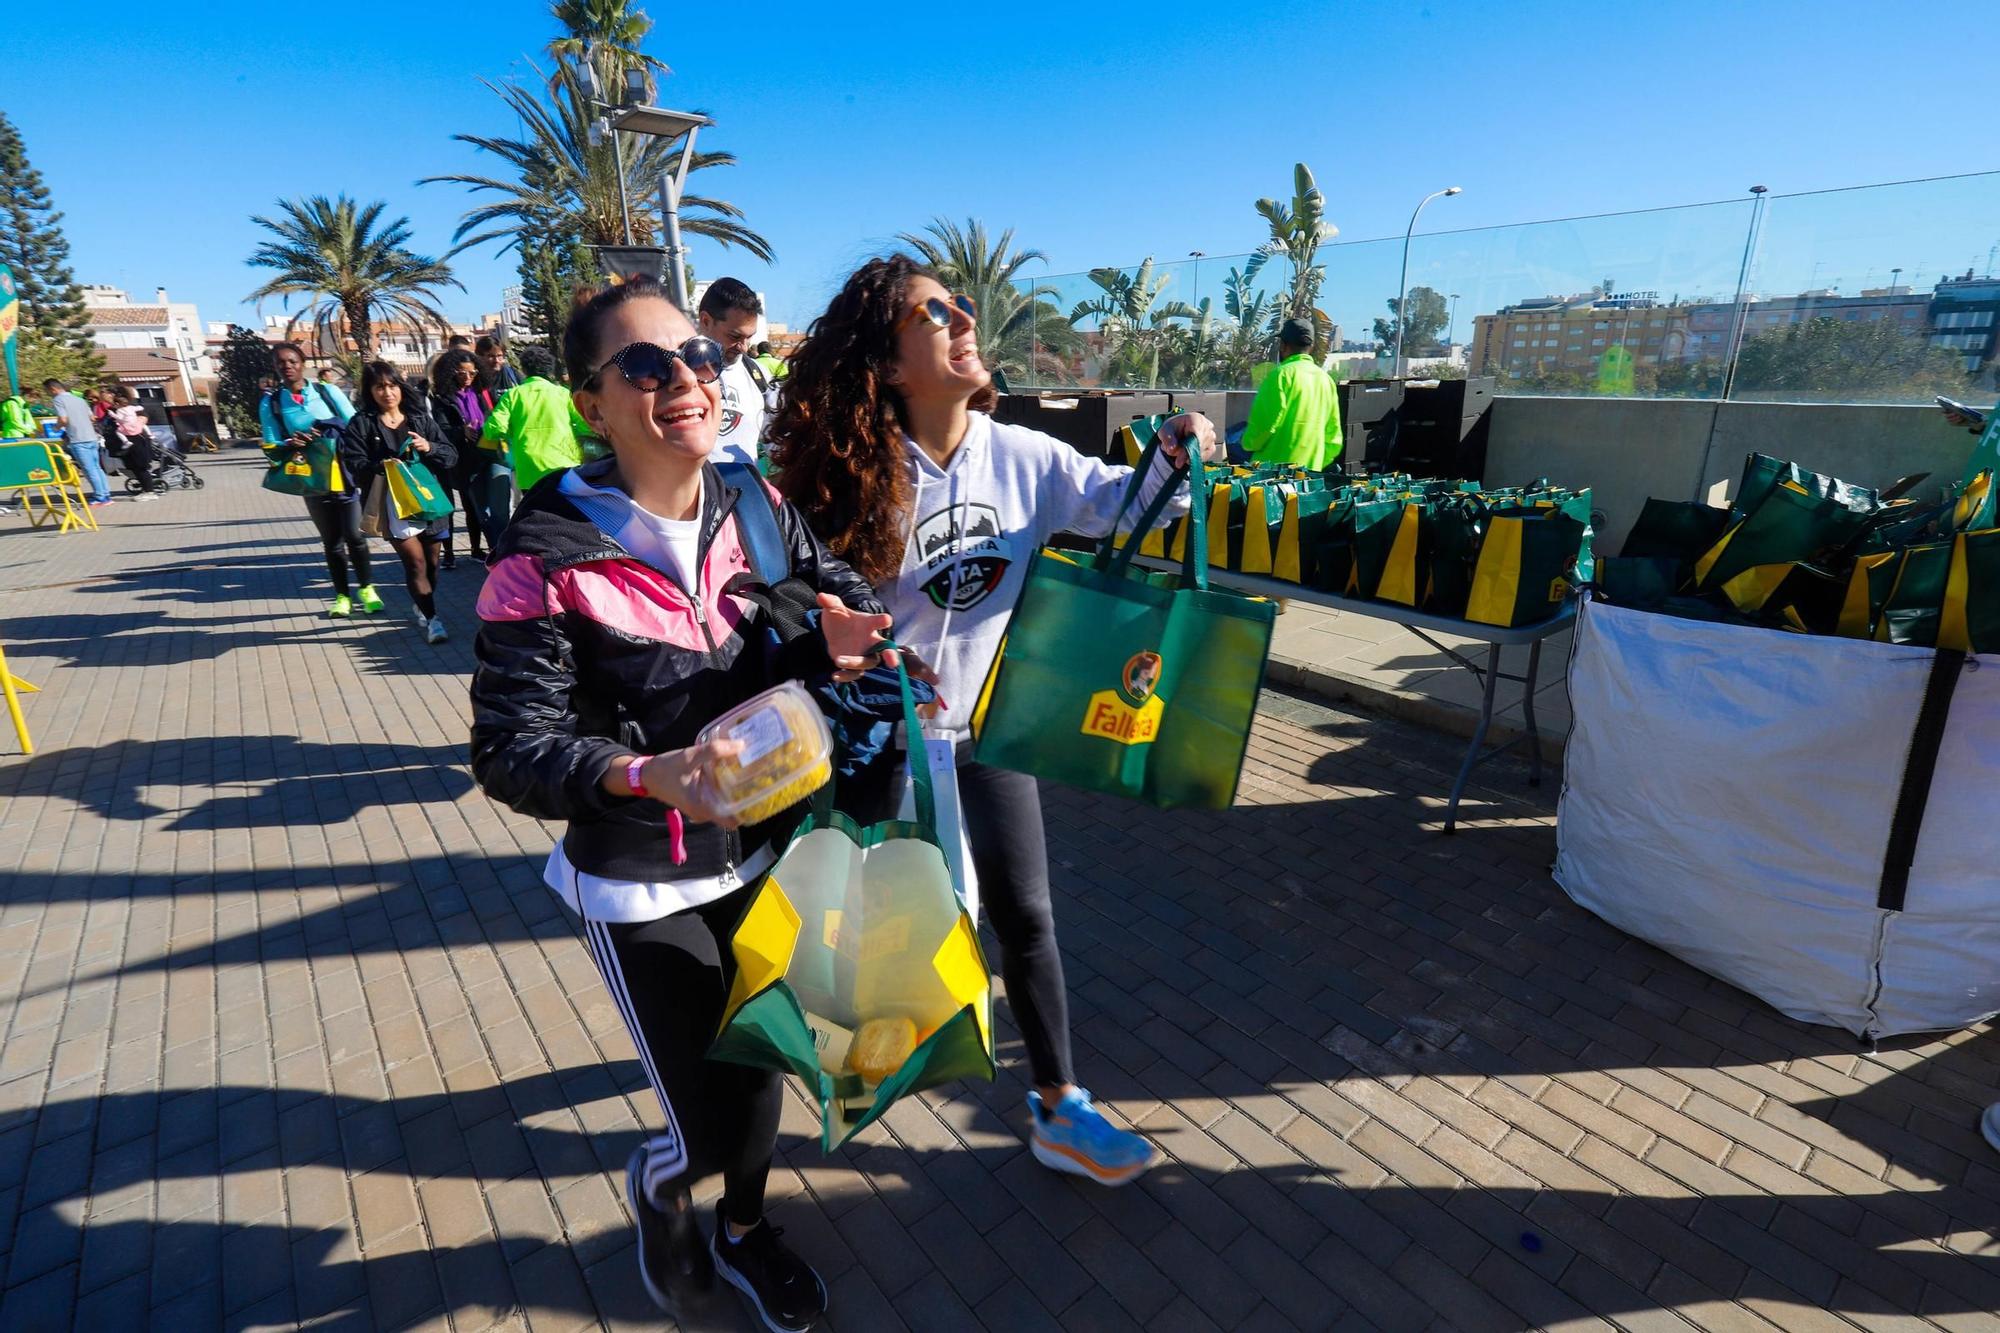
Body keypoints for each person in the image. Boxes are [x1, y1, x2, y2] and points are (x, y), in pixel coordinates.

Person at [469, 275, 894, 1332]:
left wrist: (841, 632)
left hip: (766, 845)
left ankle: (743, 1233)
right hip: (640, 877)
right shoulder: (542, 556)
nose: (685, 380)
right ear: (591, 402)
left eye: (698, 356)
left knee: (760, 1077)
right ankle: (664, 1189)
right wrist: (642, 773)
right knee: (700, 1123)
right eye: (646, 365)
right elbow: (509, 747)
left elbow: (827, 587)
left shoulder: (756, 497)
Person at [769, 255, 1221, 1188]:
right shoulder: (849, 476)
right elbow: (783, 598)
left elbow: (1121, 505)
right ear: (889, 363)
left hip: (990, 730)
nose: (964, 319)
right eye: (937, 312)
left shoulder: (1022, 455)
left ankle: (1060, 1104)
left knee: (1027, 914)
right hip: (878, 742)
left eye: (963, 304)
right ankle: (836, 1063)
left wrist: (1175, 450)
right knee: (866, 924)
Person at [338, 361, 457, 644]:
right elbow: (354, 463)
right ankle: (432, 620)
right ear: (370, 391)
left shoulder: (419, 419)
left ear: (400, 387)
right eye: (379, 387)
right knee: (415, 563)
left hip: (428, 501)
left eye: (391, 385)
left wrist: (429, 447)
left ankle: (422, 602)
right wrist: (380, 465)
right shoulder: (361, 423)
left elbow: (450, 455)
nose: (387, 392)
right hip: (392, 505)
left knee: (432, 564)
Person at [260, 341, 382, 617]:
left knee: (355, 535)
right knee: (332, 541)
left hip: (343, 474)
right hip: (311, 478)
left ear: (303, 363)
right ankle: (342, 596)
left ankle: (367, 588)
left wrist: (328, 430)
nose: (287, 366)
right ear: (275, 367)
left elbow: (355, 423)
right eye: (281, 362)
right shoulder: (272, 402)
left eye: (292, 361)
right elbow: (270, 441)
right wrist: (290, 442)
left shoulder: (327, 391)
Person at [480, 345, 592, 495]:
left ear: (524, 369)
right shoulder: (563, 394)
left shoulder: (513, 395)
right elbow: (586, 426)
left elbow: (493, 430)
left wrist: (512, 431)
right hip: (564, 465)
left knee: (537, 514)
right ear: (549, 370)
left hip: (528, 468)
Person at [1239, 315, 1342, 471]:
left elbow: (1264, 425)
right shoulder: (1326, 381)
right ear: (1312, 347)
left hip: (1271, 478)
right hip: (1309, 478)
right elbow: (1333, 438)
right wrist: (1316, 464)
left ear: (1283, 345)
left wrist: (1246, 444)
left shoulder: (1280, 375)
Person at [431, 348, 507, 559]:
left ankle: (501, 551)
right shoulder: (443, 399)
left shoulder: (482, 392)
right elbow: (440, 430)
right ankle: (492, 551)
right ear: (451, 372)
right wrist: (461, 431)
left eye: (472, 373)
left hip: (491, 454)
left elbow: (497, 415)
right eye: (462, 372)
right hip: (466, 461)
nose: (468, 378)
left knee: (499, 508)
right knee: (480, 511)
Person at [697, 278, 768, 466]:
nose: (743, 347)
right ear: (705, 321)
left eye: (749, 338)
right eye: (735, 336)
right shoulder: (673, 372)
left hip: (748, 492)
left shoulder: (757, 374)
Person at [45, 379, 116, 507]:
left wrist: (56, 428)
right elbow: (92, 418)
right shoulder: (79, 399)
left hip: (78, 439)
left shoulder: (58, 400)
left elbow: (63, 419)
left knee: (89, 469)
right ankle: (105, 494)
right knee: (97, 468)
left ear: (53, 389)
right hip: (91, 437)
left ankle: (100, 497)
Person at [108, 387, 163, 495]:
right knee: (133, 467)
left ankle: (149, 491)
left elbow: (143, 418)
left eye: (109, 393)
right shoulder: (117, 408)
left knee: (140, 466)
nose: (108, 396)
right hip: (125, 442)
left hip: (135, 439)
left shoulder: (125, 408)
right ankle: (145, 488)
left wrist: (133, 425)